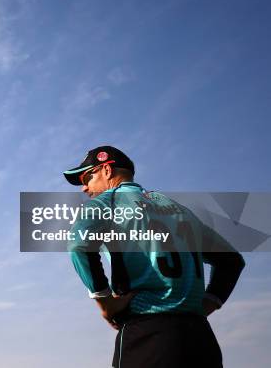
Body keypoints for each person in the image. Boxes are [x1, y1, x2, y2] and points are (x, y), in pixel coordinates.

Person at [62, 145, 245, 368]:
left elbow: (79, 245)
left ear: (107, 171)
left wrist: (105, 301)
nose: (84, 188)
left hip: (148, 336)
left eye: (87, 177)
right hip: (201, 339)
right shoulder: (179, 209)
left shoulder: (106, 203)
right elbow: (231, 260)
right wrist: (207, 304)